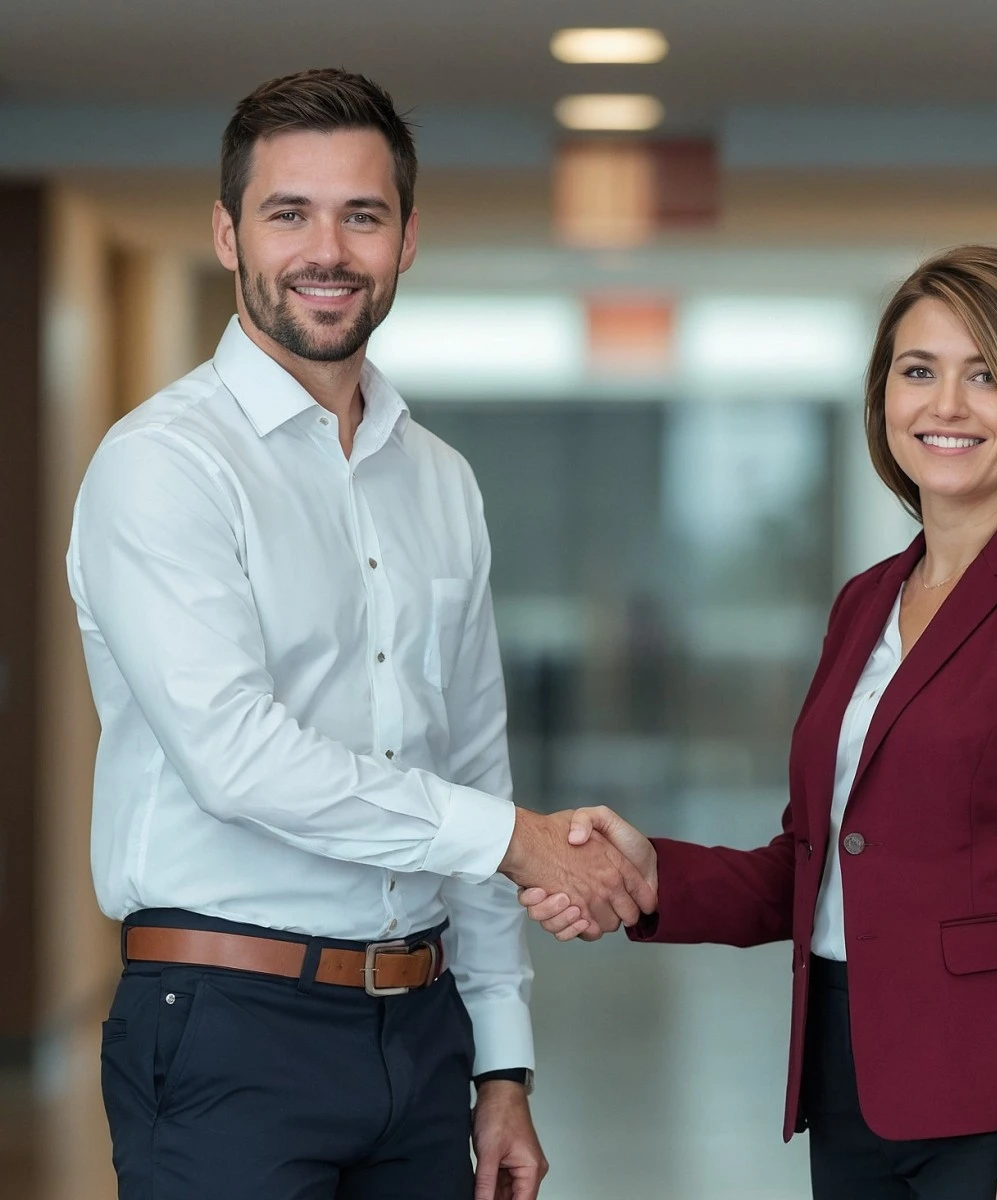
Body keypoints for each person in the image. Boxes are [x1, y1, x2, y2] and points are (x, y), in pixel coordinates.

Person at [68, 67, 654, 1200]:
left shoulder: (439, 481)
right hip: (227, 1030)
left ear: (408, 237)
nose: (327, 248)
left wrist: (502, 1066)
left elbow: (472, 762)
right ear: (229, 234)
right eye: (289, 212)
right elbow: (236, 755)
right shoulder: (164, 465)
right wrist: (511, 839)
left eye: (362, 214)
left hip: (420, 1035)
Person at [520, 245, 997, 1200]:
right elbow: (822, 859)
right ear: (883, 399)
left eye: (986, 375)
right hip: (855, 1090)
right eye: (919, 371)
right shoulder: (869, 601)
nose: (946, 405)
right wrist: (656, 877)